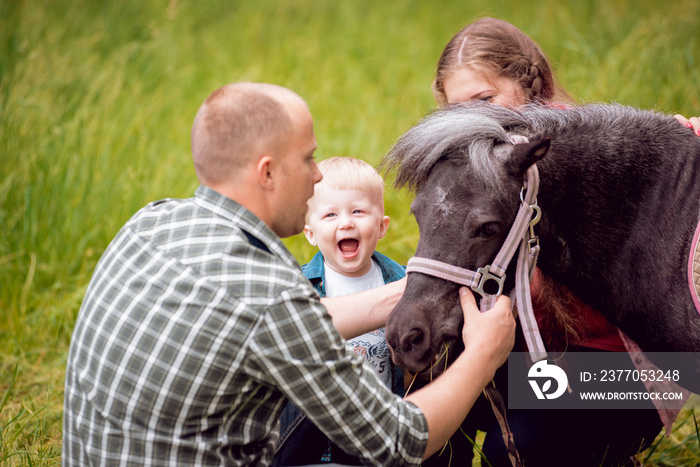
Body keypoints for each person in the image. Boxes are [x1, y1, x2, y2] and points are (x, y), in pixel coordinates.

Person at [62, 82, 516, 466]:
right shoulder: (269, 293)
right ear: (267, 172)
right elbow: (398, 441)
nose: (318, 176)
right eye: (308, 159)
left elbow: (265, 322)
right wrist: (484, 352)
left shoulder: (152, 220)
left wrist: (406, 292)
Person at [418, 17, 696, 467]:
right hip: (539, 360)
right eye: (457, 110)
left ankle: (598, 452)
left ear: (529, 85)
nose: (473, 119)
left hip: (628, 373)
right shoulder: (485, 169)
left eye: (485, 99)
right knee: (425, 401)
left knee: (515, 448)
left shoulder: (591, 154)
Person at [274, 156, 406, 465]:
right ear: (310, 233)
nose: (346, 222)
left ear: (382, 225)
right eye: (331, 215)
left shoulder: (400, 282)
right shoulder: (299, 287)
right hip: (318, 440)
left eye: (358, 211)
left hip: (379, 430)